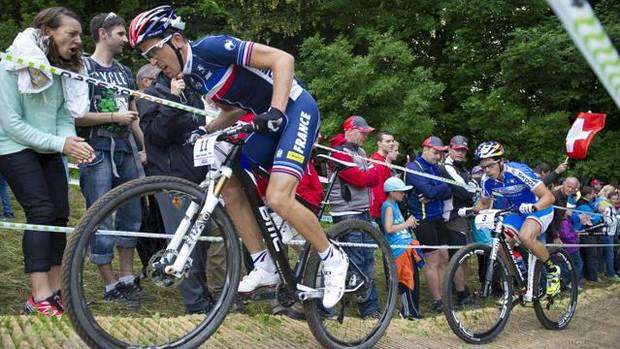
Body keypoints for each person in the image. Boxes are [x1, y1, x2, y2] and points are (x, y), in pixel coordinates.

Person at [129, 6, 348, 308]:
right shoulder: (191, 77)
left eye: (153, 51)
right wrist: (205, 129)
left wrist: (277, 111)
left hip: (296, 110)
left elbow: (283, 59)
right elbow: (234, 111)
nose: (153, 62)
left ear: (176, 41)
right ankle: (264, 264)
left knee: (277, 198)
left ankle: (333, 257)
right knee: (228, 183)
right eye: (146, 57)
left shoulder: (211, 48)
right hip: (264, 120)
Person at [0, 7, 94, 316]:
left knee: (60, 215)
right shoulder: (11, 65)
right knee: (40, 211)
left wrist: (72, 143)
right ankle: (37, 296)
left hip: (49, 147)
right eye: (72, 34)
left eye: (80, 34)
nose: (79, 41)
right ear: (48, 33)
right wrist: (61, 142)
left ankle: (55, 292)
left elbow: (62, 114)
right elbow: (12, 123)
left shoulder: (59, 68)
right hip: (13, 146)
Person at [76, 12, 144, 304]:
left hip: (125, 148)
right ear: (102, 34)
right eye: (119, 34)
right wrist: (113, 116)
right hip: (96, 148)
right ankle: (109, 283)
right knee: (100, 212)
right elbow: (76, 116)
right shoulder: (82, 68)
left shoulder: (125, 71)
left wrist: (145, 145)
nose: (125, 40)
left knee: (132, 211)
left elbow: (134, 114)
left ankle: (127, 277)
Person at [463, 141, 560, 297]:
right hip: (517, 212)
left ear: (501, 161)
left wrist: (534, 207)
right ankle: (519, 281)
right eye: (483, 167)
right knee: (501, 244)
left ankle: (552, 270)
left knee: (525, 237)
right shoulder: (487, 180)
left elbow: (549, 197)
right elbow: (483, 204)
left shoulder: (517, 171)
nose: (487, 170)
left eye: (490, 165)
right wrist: (468, 210)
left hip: (540, 208)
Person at [326, 115, 381, 318]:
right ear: (350, 130)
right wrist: (373, 172)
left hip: (363, 211)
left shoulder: (361, 152)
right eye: (362, 133)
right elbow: (360, 179)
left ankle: (370, 308)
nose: (365, 137)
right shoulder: (338, 152)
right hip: (346, 214)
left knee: (367, 260)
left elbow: (374, 178)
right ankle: (333, 307)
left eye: (367, 133)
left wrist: (372, 173)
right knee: (353, 260)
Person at [405, 136, 454, 313]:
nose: (438, 157)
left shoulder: (436, 168)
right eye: (435, 152)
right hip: (423, 219)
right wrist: (435, 191)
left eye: (441, 153)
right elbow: (431, 190)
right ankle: (437, 300)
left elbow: (449, 191)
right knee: (432, 259)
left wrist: (434, 193)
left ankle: (444, 295)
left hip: (438, 216)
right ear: (425, 149)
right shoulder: (413, 167)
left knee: (444, 256)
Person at [381, 177, 423, 320]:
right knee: (406, 281)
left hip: (407, 247)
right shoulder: (388, 206)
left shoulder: (395, 205)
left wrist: (408, 224)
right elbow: (388, 228)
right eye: (401, 192)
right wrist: (406, 224)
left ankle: (413, 310)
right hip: (399, 251)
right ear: (392, 192)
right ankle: (408, 312)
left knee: (414, 280)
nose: (403, 194)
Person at [572, 186, 602, 282]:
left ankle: (587, 276)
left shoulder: (585, 203)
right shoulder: (583, 205)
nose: (594, 195)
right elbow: (592, 220)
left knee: (587, 255)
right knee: (591, 255)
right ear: (588, 195)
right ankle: (592, 278)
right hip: (586, 233)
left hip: (585, 232)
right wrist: (600, 215)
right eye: (593, 193)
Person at [370, 131, 395, 231]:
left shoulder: (382, 160)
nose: (391, 144)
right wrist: (387, 210)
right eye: (388, 141)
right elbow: (379, 190)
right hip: (379, 211)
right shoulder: (377, 162)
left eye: (392, 141)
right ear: (379, 143)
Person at [595, 185, 619, 281]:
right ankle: (610, 274)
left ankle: (602, 272)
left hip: (611, 233)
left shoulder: (609, 205)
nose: (616, 200)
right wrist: (615, 220)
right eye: (614, 198)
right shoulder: (604, 204)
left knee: (606, 254)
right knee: (609, 254)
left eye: (616, 198)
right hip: (607, 233)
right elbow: (606, 219)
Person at [548, 177, 580, 244]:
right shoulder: (554, 196)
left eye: (573, 188)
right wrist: (555, 236)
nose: (570, 189)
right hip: (547, 231)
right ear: (563, 184)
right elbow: (549, 218)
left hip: (554, 231)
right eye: (568, 187)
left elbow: (559, 216)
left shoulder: (565, 196)